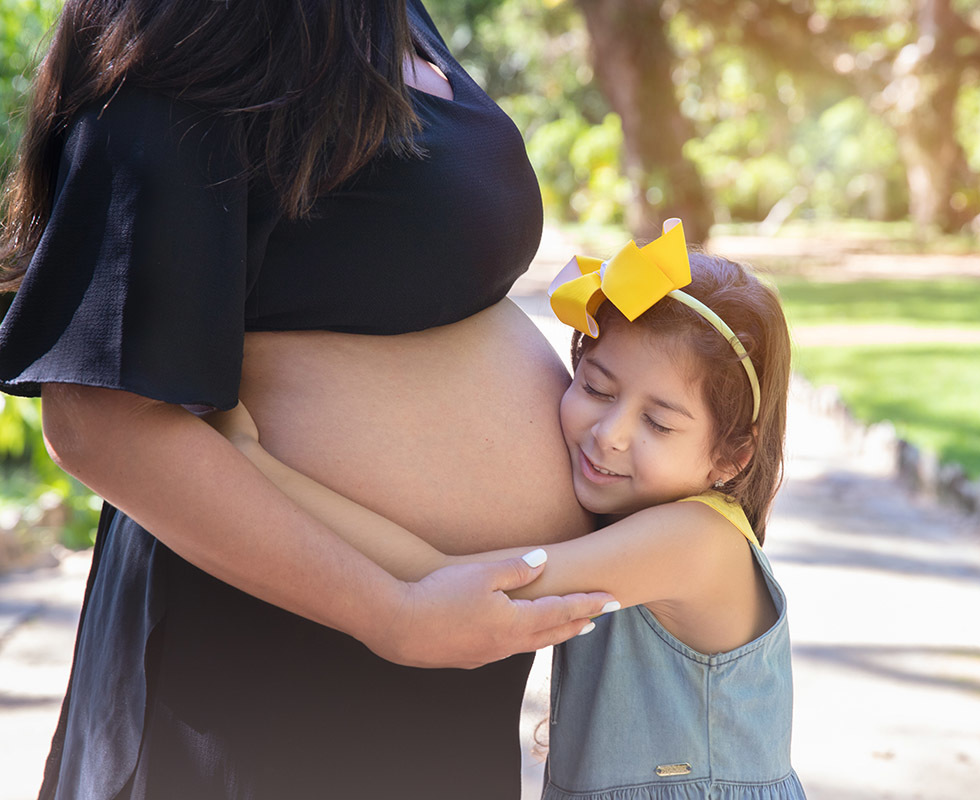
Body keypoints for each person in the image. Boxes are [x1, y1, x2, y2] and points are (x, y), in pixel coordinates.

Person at [0, 2, 614, 797]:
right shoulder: (194, 37)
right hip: (270, 668)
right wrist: (393, 611)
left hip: (433, 670)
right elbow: (99, 423)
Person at [206, 220, 807, 799]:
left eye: (657, 422)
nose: (610, 434)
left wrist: (253, 465)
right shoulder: (650, 520)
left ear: (731, 458)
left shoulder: (693, 541)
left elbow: (446, 578)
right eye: (596, 388)